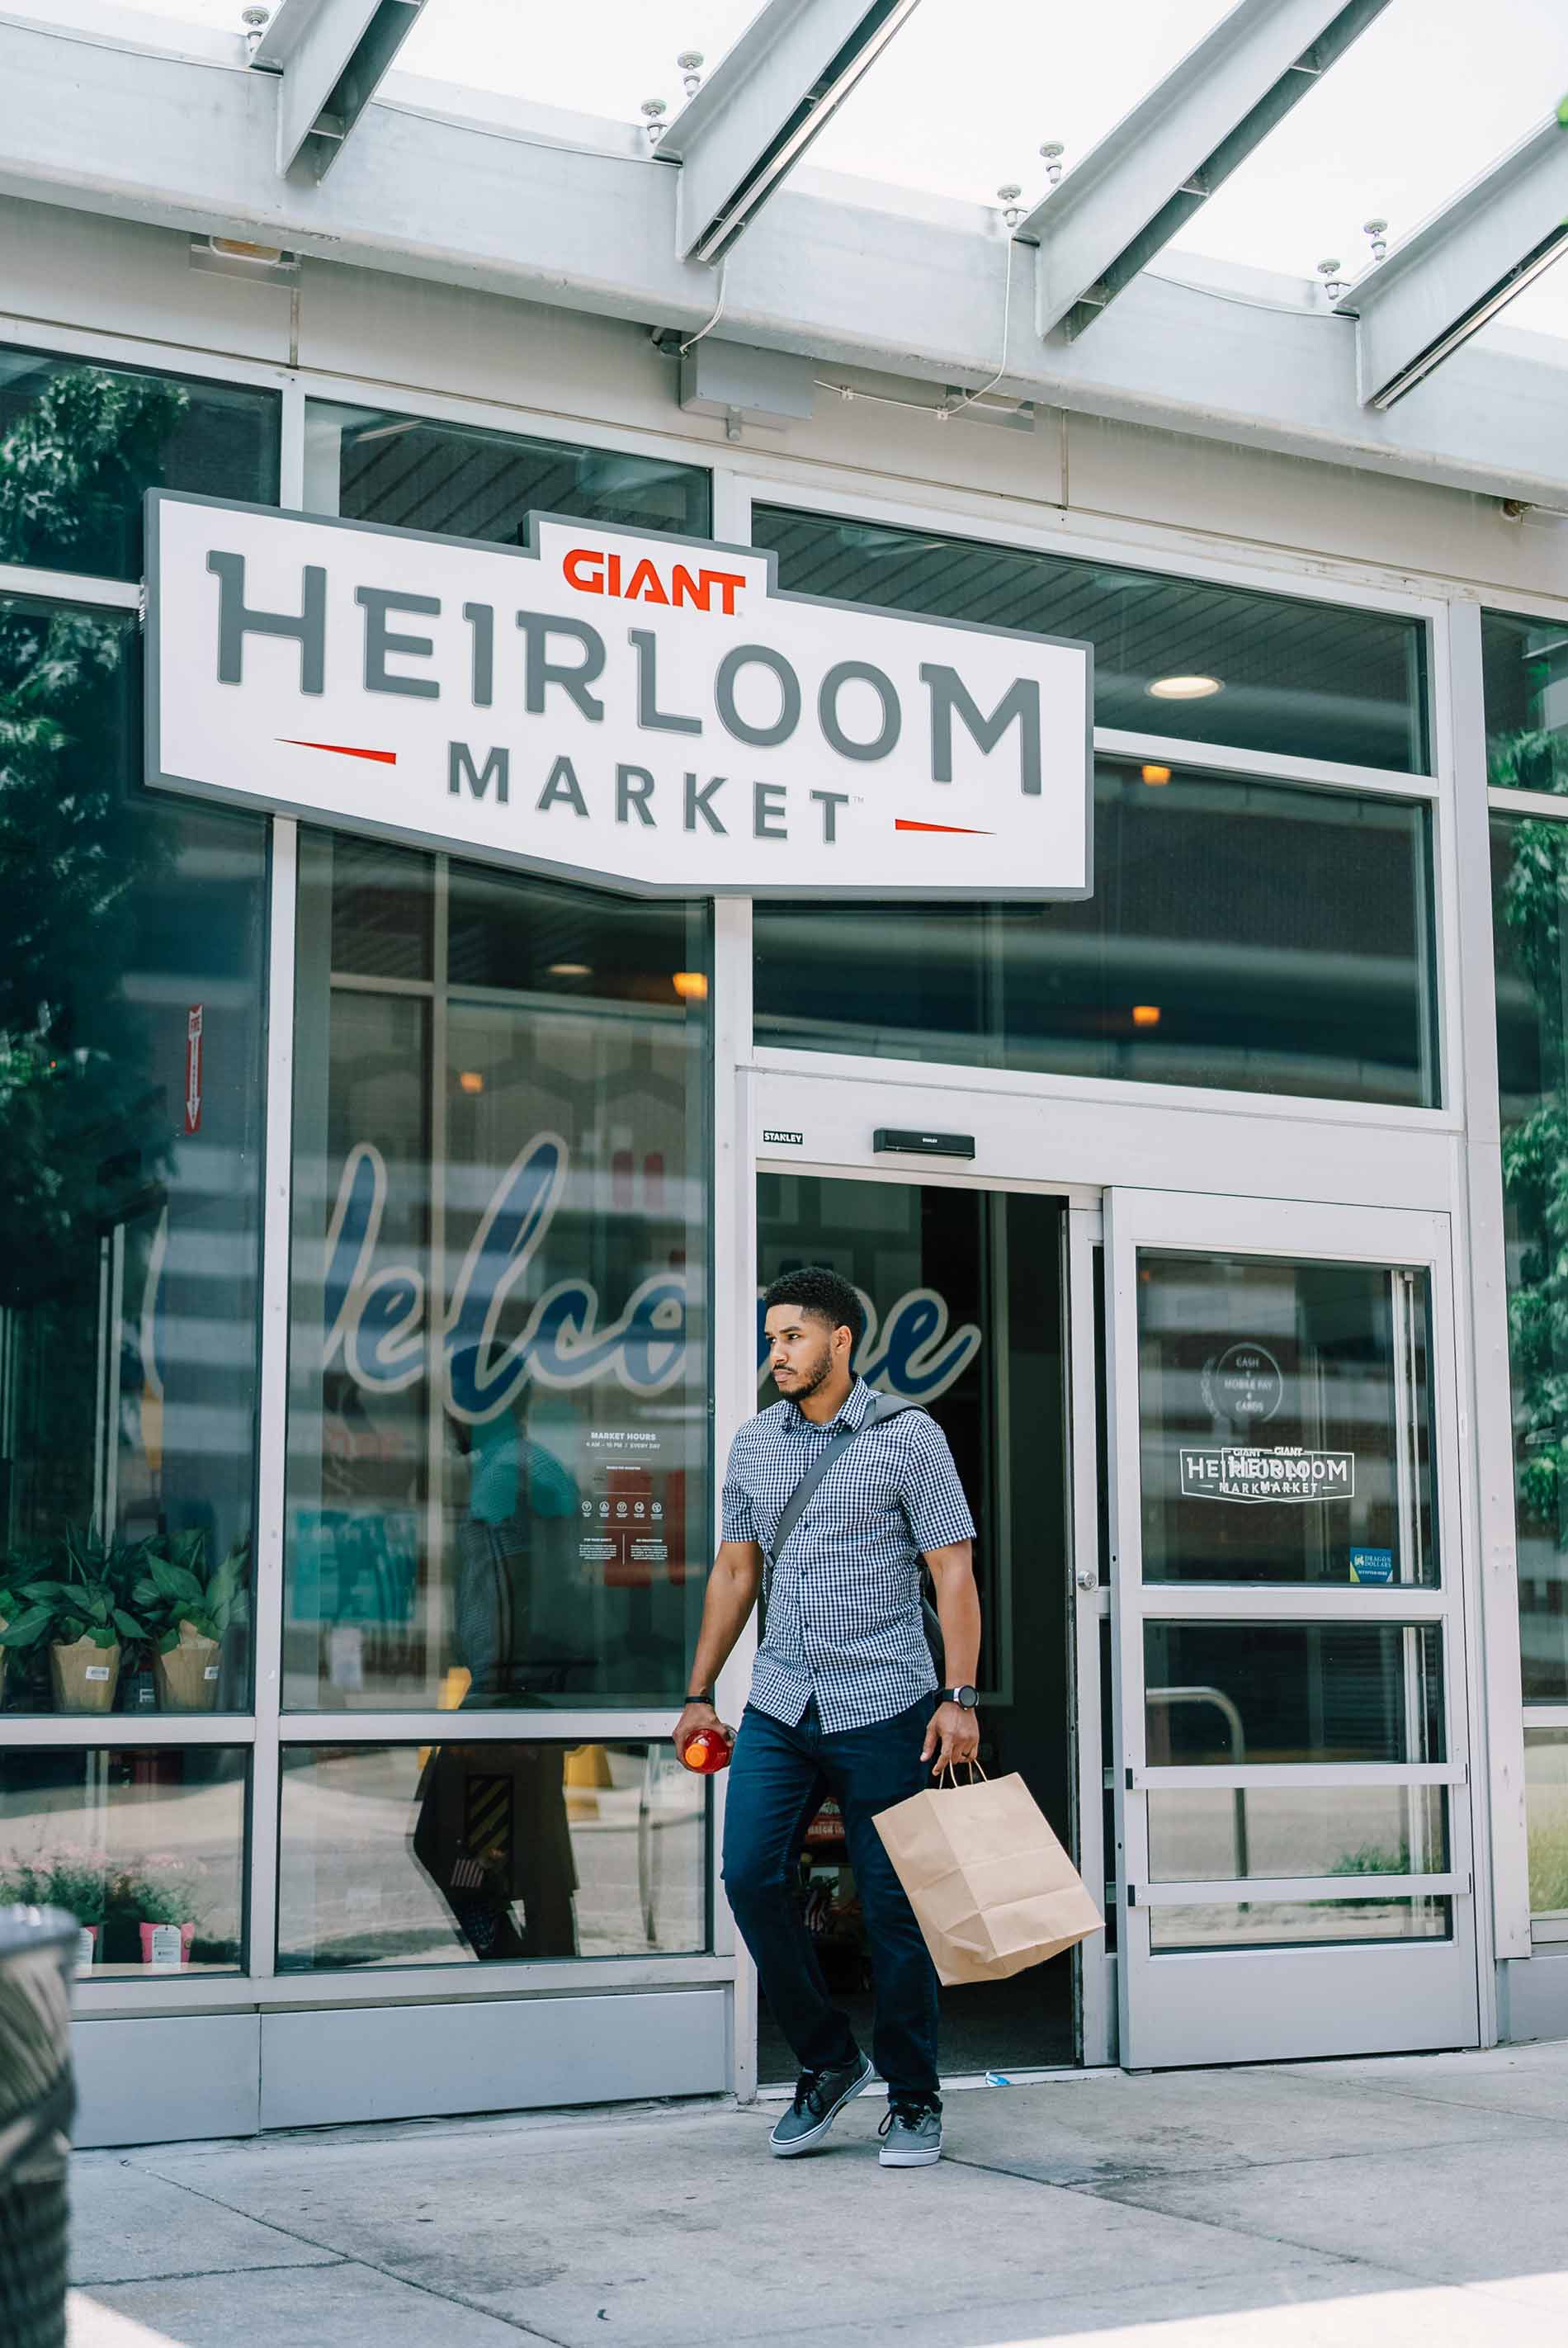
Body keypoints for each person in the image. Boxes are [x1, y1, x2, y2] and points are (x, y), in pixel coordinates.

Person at [674, 1266, 981, 2170]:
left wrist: (958, 1697)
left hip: (886, 1702)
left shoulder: (909, 1439)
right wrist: (701, 1688)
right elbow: (736, 1574)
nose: (777, 1353)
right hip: (779, 1700)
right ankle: (826, 2060)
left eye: (792, 1338)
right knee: (748, 1877)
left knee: (894, 1909)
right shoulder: (753, 1445)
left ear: (840, 1342)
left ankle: (915, 2096)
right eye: (771, 1339)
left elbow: (952, 1573)